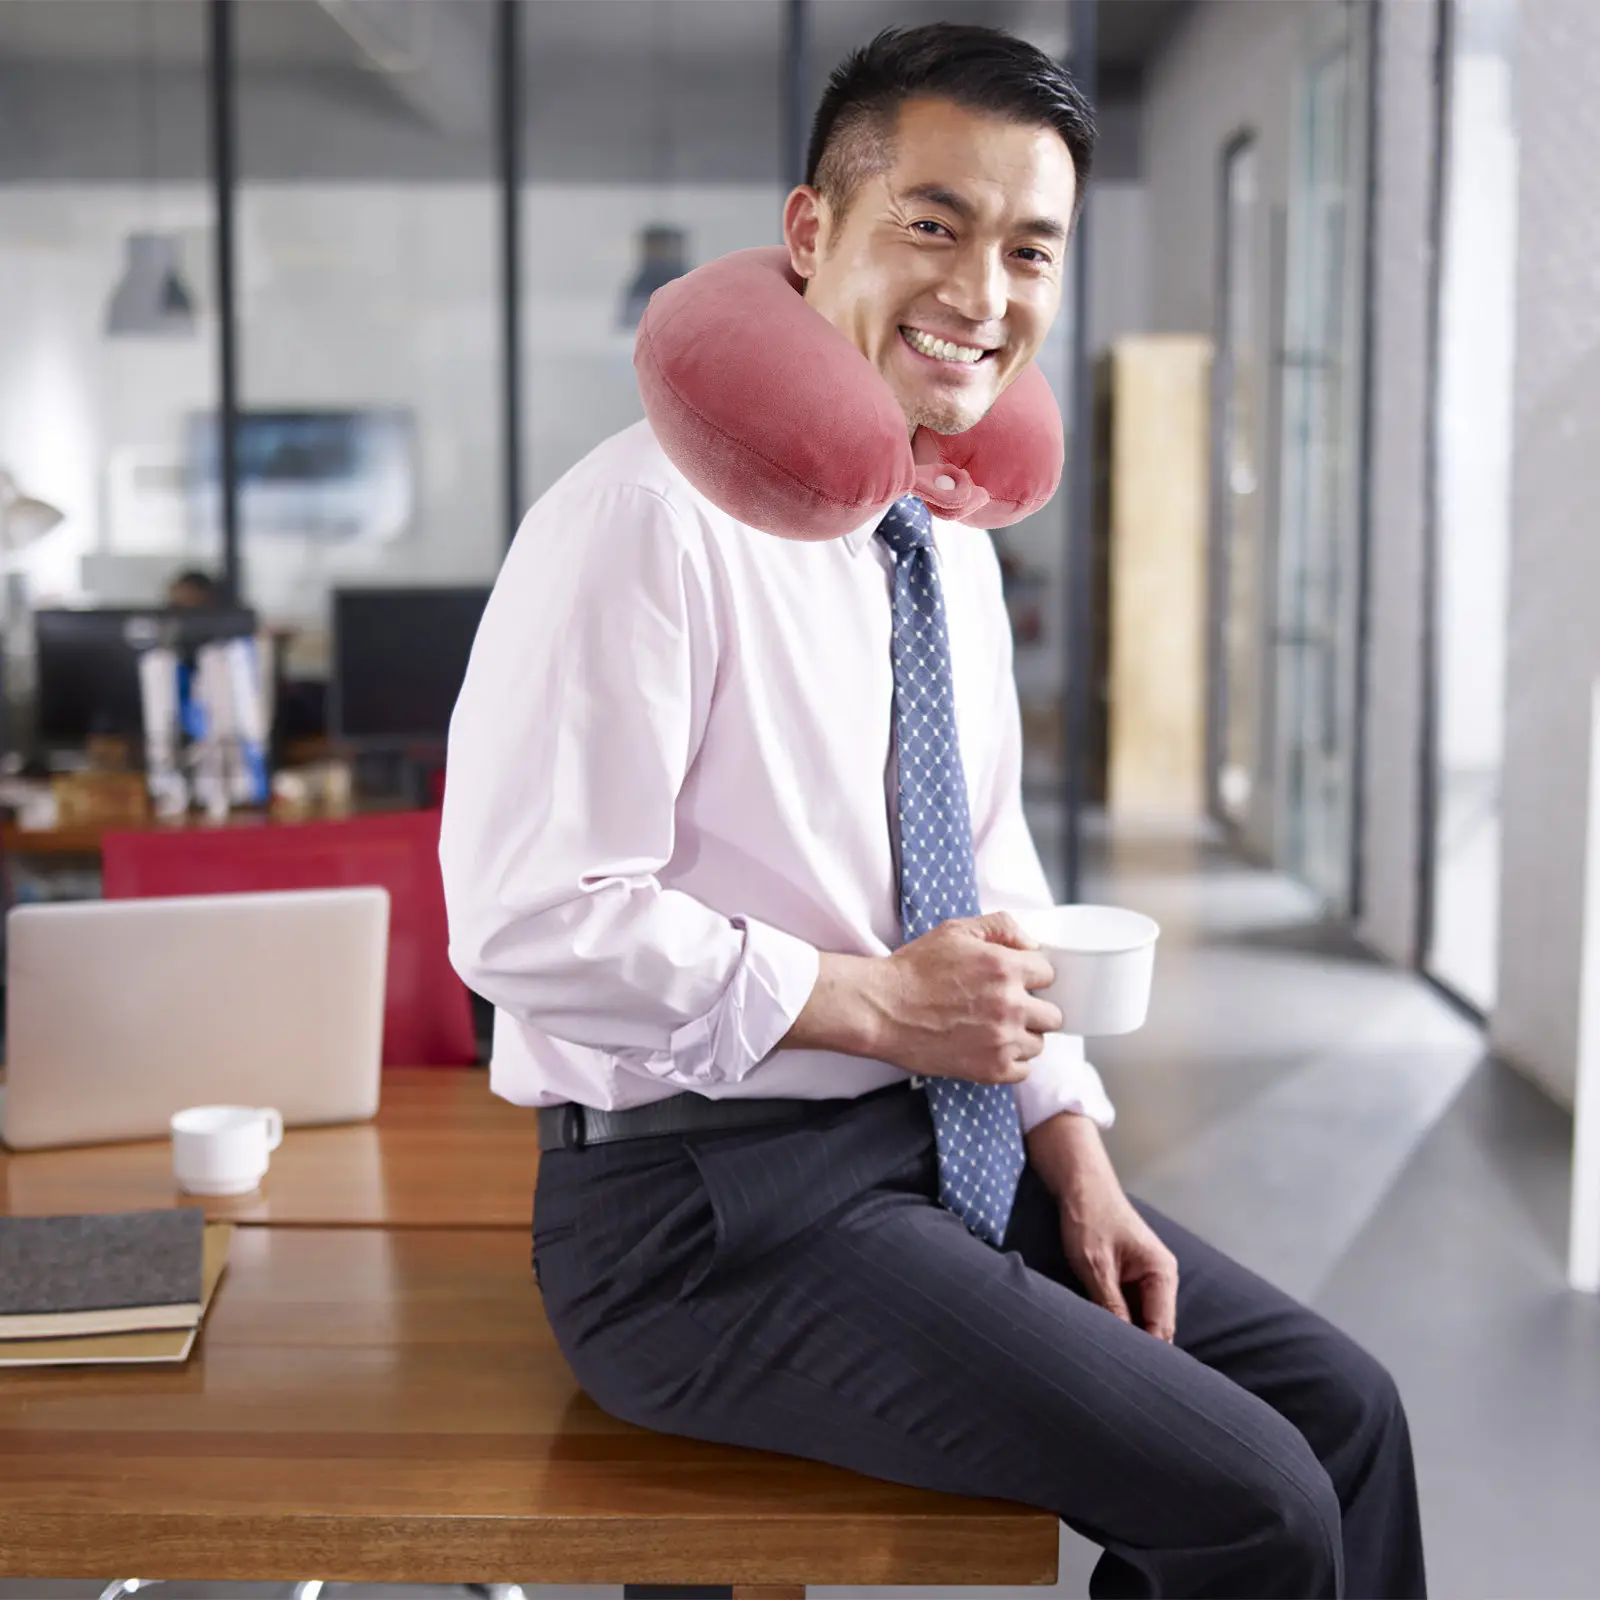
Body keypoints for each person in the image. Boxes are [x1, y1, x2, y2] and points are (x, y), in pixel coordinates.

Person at [439, 24, 1425, 1600]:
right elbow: (526, 920)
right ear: (812, 230)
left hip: (942, 1154)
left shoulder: (942, 533)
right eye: (933, 223)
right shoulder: (638, 518)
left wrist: (1073, 1146)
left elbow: (986, 871)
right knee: (1255, 1504)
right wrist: (871, 1005)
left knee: (1347, 1417)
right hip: (698, 1220)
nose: (982, 292)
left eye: (1031, 248)